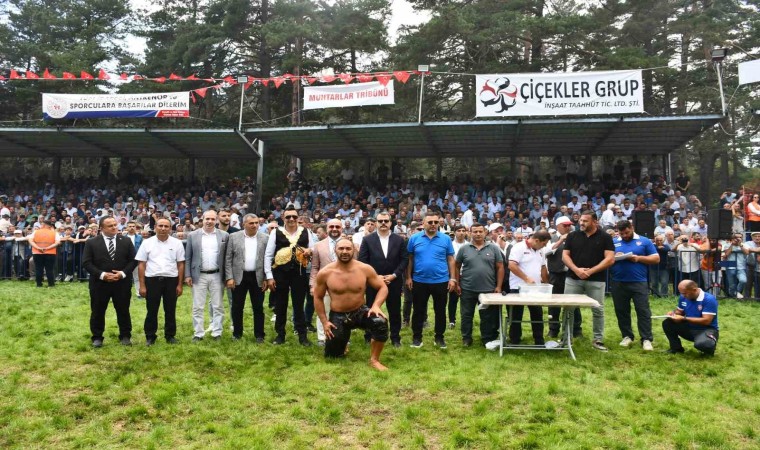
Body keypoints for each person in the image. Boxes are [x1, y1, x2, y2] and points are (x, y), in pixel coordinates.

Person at [313, 238, 389, 370]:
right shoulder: (325, 273)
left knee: (380, 322)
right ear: (335, 250)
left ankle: (374, 360)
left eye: (348, 248)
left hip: (360, 311)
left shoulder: (364, 269)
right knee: (333, 356)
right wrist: (325, 322)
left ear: (354, 250)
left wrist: (376, 305)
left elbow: (383, 287)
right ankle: (341, 344)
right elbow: (318, 297)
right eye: (341, 248)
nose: (344, 251)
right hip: (338, 315)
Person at [562, 210, 615, 351]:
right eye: (580, 220)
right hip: (573, 278)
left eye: (585, 221)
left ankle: (598, 340)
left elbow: (610, 259)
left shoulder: (605, 237)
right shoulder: (572, 235)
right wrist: (577, 270)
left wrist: (590, 271)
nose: (581, 223)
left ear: (595, 221)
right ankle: (566, 338)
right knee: (568, 309)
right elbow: (565, 256)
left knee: (598, 309)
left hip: (596, 279)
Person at [82, 216, 137, 347]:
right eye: (110, 226)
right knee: (98, 311)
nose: (114, 227)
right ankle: (97, 337)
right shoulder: (91, 242)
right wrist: (102, 275)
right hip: (99, 283)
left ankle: (125, 336)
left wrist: (122, 274)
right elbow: (87, 263)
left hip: (121, 283)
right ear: (101, 228)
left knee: (123, 310)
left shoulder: (126, 241)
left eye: (115, 225)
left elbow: (133, 260)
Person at [406, 211, 457, 349]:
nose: (433, 224)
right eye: (430, 222)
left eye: (436, 222)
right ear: (423, 223)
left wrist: (452, 278)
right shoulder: (414, 238)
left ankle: (439, 337)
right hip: (419, 280)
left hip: (441, 281)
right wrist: (408, 277)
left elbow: (451, 259)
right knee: (418, 311)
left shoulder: (445, 239)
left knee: (440, 311)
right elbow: (410, 259)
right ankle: (417, 338)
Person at [264, 206, 314, 346]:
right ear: (283, 218)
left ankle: (302, 336)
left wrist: (309, 250)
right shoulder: (275, 232)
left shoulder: (306, 231)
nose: (291, 219)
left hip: (299, 273)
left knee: (299, 305)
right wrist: (269, 276)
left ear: (298, 218)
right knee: (280, 305)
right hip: (280, 273)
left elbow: (313, 248)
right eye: (288, 217)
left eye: (294, 216)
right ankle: (280, 335)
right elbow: (268, 255)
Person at [359, 212, 408, 347]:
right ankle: (369, 336)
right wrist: (374, 276)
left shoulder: (399, 240)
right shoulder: (367, 240)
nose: (383, 223)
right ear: (376, 223)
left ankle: (395, 338)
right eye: (380, 221)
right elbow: (362, 260)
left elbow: (404, 260)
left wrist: (394, 275)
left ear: (391, 223)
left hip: (394, 281)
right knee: (370, 309)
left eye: (386, 221)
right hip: (373, 282)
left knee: (395, 311)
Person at [610, 220, 660, 351]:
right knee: (621, 311)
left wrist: (638, 258)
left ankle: (646, 338)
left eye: (626, 233)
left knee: (643, 310)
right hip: (618, 281)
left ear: (631, 228)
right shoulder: (614, 242)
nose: (624, 236)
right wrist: (614, 256)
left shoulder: (644, 241)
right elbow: (606, 258)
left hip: (639, 282)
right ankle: (627, 336)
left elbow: (656, 258)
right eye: (622, 234)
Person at [136, 218, 186, 346]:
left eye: (166, 226)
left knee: (170, 309)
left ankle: (170, 336)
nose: (163, 228)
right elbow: (141, 264)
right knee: (152, 310)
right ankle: (150, 336)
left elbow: (181, 264)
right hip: (152, 280)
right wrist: (142, 285)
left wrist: (180, 284)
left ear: (170, 229)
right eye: (160, 226)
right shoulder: (147, 243)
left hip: (171, 280)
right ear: (155, 227)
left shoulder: (177, 243)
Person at [455, 223, 503, 347]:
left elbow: (500, 267)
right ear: (470, 233)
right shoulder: (464, 249)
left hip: (488, 289)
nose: (478, 234)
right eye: (475, 231)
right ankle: (466, 338)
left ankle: (487, 339)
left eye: (480, 231)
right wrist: (457, 283)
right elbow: (456, 266)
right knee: (466, 315)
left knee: (487, 316)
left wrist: (498, 286)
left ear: (485, 232)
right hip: (467, 288)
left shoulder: (494, 248)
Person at [184, 211, 229, 342]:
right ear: (202, 219)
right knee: (198, 306)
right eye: (207, 219)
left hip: (217, 275)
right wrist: (188, 275)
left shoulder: (224, 235)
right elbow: (188, 257)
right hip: (199, 275)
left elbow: (227, 258)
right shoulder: (193, 235)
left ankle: (217, 332)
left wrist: (227, 276)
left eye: (212, 219)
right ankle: (198, 333)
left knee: (218, 305)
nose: (209, 221)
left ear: (216, 220)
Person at [225, 213, 268, 342]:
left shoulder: (265, 238)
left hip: (258, 276)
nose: (254, 225)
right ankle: (237, 334)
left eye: (256, 223)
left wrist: (266, 278)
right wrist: (229, 277)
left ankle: (259, 335)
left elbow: (268, 259)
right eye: (251, 223)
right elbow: (228, 258)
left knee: (258, 307)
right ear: (244, 224)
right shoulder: (233, 237)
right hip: (239, 276)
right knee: (237, 306)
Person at [508, 230, 551, 345]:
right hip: (518, 286)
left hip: (535, 288)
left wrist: (546, 283)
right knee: (516, 314)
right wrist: (526, 278)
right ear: (536, 240)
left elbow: (543, 267)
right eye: (544, 243)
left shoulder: (540, 250)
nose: (545, 246)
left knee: (537, 314)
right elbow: (511, 265)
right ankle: (515, 340)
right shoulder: (519, 247)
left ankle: (539, 340)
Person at [310, 219, 347, 346]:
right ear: (327, 229)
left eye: (337, 226)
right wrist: (313, 285)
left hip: (345, 284)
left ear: (341, 228)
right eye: (331, 226)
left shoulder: (349, 245)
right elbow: (315, 267)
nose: (334, 229)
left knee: (344, 312)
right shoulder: (318, 245)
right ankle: (322, 338)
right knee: (323, 311)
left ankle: (344, 337)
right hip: (324, 285)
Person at [545, 216, 580, 338]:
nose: (568, 227)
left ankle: (576, 329)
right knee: (554, 303)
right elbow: (546, 253)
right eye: (565, 225)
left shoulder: (576, 237)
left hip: (571, 273)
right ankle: (553, 329)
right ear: (558, 226)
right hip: (556, 274)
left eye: (569, 225)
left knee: (574, 301)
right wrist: (560, 240)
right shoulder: (550, 238)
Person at [663, 280, 719, 355]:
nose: (683, 295)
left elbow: (706, 321)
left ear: (694, 290)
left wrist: (684, 318)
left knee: (703, 344)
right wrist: (673, 314)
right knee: (668, 323)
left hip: (706, 329)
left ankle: (709, 347)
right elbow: (679, 312)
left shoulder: (709, 299)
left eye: (684, 293)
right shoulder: (683, 297)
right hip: (690, 327)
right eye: (681, 293)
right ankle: (676, 348)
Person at [28, 219, 59, 287]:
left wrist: (38, 247)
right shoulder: (54, 233)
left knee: (38, 269)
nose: (40, 225)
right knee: (49, 269)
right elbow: (57, 242)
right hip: (50, 253)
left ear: (44, 225)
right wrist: (47, 248)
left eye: (41, 224)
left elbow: (30, 240)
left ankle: (39, 284)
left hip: (37, 252)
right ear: (49, 226)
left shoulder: (36, 232)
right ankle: (51, 284)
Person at [723, 233, 747, 298]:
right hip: (730, 265)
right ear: (733, 238)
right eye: (736, 237)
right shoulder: (727, 245)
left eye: (740, 237)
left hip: (741, 266)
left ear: (742, 238)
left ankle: (737, 292)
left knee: (743, 280)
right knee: (732, 285)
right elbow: (726, 254)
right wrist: (732, 245)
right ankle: (732, 297)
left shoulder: (744, 245)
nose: (738, 239)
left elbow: (747, 252)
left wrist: (740, 245)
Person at [124, 221, 144, 298]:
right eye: (130, 226)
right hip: (125, 260)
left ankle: (139, 293)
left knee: (137, 277)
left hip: (136, 260)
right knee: (125, 277)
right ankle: (125, 293)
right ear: (127, 228)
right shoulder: (122, 237)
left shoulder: (140, 237)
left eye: (133, 226)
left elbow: (142, 248)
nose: (132, 228)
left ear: (135, 228)